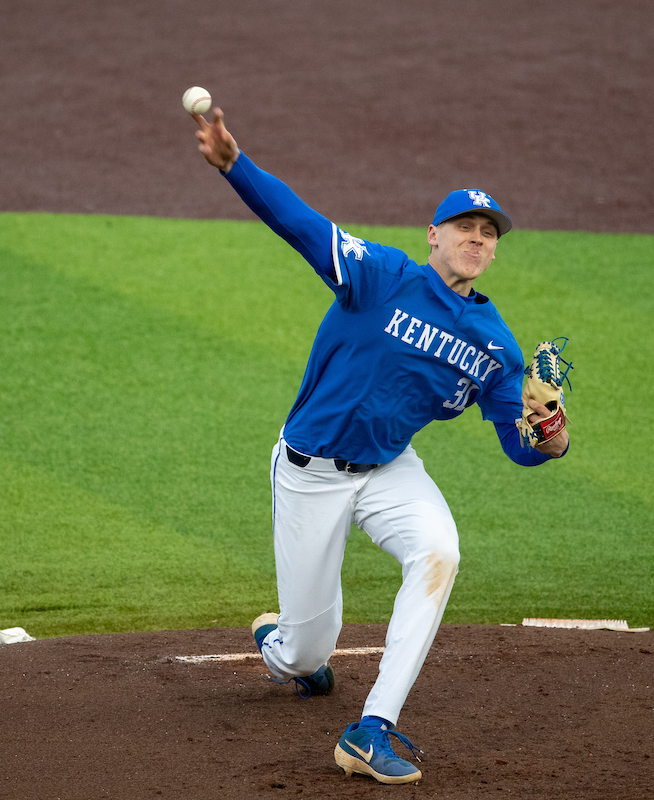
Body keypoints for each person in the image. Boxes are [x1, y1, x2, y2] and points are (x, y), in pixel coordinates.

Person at [193, 107, 570, 785]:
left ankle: (372, 728)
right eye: (464, 227)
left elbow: (521, 445)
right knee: (305, 654)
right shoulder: (380, 276)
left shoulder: (497, 348)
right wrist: (234, 165)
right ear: (434, 235)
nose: (476, 239)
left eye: (488, 233)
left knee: (440, 552)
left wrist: (552, 439)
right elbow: (301, 224)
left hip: (390, 468)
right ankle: (287, 647)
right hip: (311, 471)